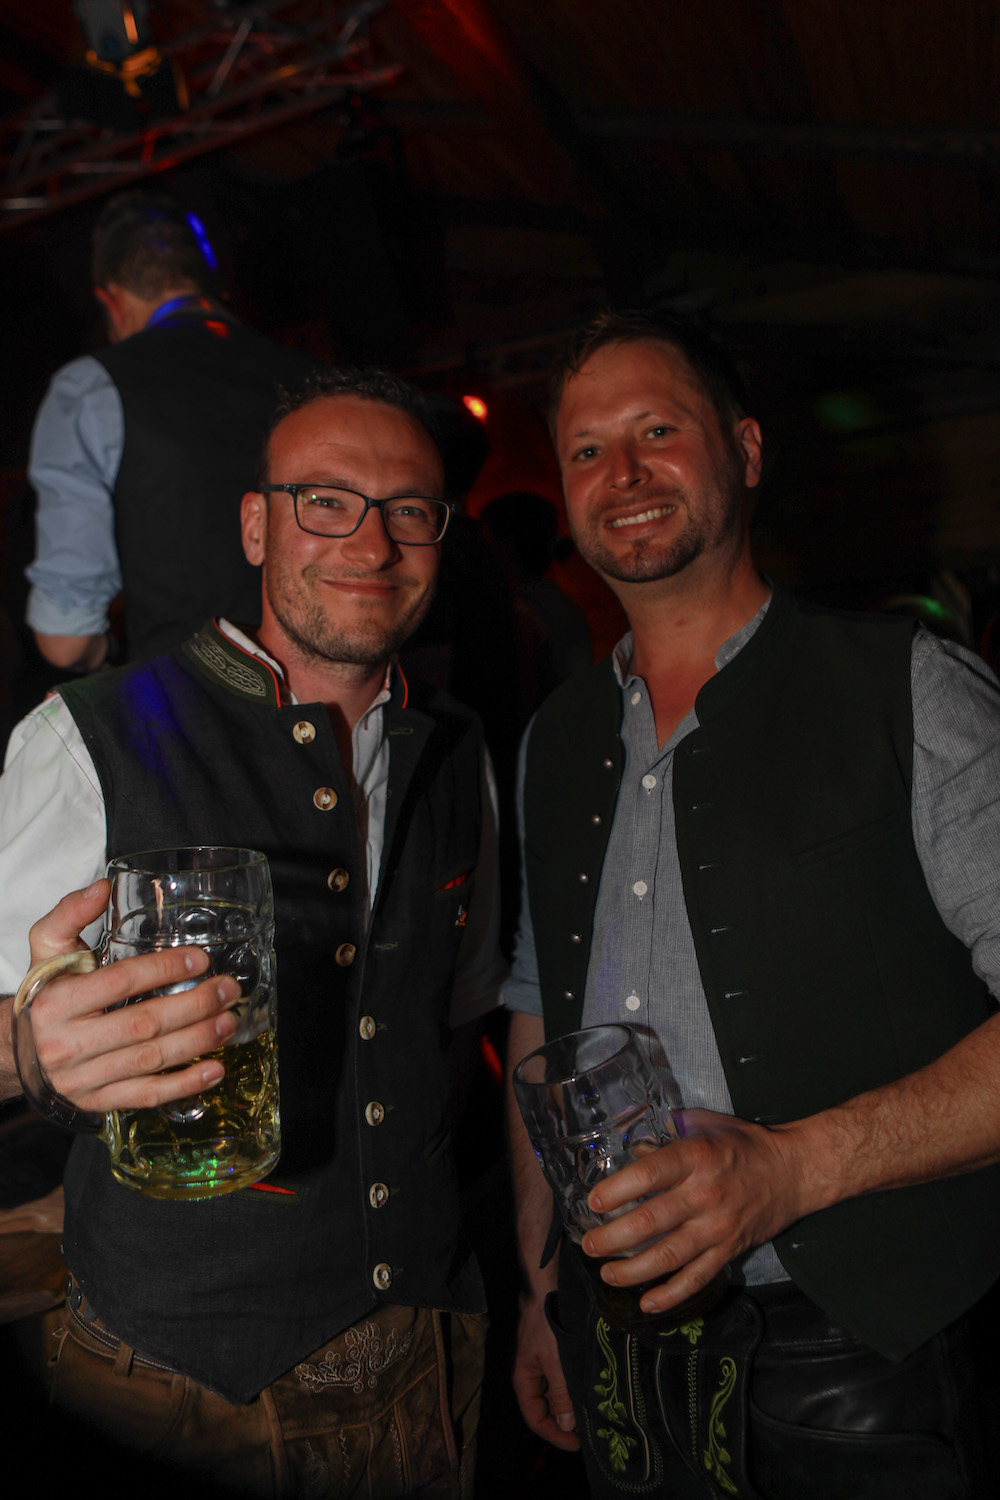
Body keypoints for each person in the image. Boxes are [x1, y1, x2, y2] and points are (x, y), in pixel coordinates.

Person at [504, 309, 1000, 1499]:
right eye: (586, 449)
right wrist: (542, 1289)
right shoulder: (550, 739)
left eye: (658, 431)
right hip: (621, 1349)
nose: (623, 473)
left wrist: (790, 1169)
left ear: (746, 449)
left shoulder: (909, 690)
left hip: (873, 1355)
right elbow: (537, 1018)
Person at [0, 366, 505, 1498]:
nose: (369, 543)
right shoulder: (90, 736)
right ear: (254, 526)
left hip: (428, 1363)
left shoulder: (460, 749)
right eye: (324, 500)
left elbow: (458, 1016)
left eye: (408, 509)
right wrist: (27, 1049)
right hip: (177, 1387)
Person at [26, 188, 319, 670]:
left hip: (186, 699)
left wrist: (111, 654)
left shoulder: (89, 389)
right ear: (209, 280)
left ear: (111, 300)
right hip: (323, 692)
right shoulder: (314, 378)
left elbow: (65, 640)